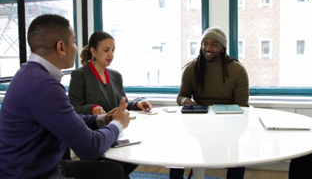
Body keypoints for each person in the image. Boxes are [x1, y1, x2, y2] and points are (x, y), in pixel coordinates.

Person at [0, 14, 130, 179]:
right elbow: (90, 147)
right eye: (74, 42)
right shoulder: (43, 85)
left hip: (41, 166)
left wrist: (103, 119)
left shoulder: (30, 74)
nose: (77, 48)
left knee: (113, 171)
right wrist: (118, 124)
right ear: (61, 47)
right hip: (33, 174)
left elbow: (68, 119)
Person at [68, 30, 153, 177]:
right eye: (106, 50)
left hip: (118, 134)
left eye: (113, 50)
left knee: (141, 152)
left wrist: (137, 104)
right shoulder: (80, 75)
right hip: (95, 137)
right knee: (117, 169)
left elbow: (123, 103)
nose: (111, 55)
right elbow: (73, 109)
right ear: (93, 51)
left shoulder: (115, 75)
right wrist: (93, 109)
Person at [172, 26, 249, 179]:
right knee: (177, 148)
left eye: (214, 44)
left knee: (239, 153)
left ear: (222, 48)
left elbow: (242, 106)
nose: (207, 48)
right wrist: (190, 103)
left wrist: (221, 116)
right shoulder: (192, 69)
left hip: (229, 121)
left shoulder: (237, 70)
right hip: (199, 119)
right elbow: (180, 97)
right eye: (204, 43)